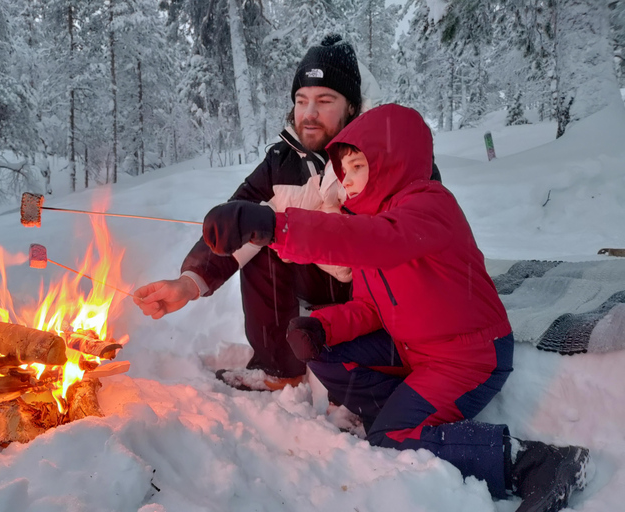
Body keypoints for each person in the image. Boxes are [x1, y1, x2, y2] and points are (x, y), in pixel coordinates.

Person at [201, 104, 590, 512]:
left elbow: (371, 239)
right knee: (324, 354)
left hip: (469, 358)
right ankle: (400, 412)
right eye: (343, 171)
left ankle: (535, 462)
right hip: (413, 349)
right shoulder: (374, 221)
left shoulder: (428, 206)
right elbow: (370, 307)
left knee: (391, 440)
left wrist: (274, 225)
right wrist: (324, 329)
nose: (346, 182)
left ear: (390, 161)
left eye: (355, 167)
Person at [134, 34, 363, 390]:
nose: (310, 113)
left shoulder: (374, 156)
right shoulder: (282, 160)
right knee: (258, 234)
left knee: (274, 231)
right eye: (301, 100)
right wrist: (189, 283)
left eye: (324, 100)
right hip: (314, 277)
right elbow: (236, 218)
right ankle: (277, 368)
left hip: (363, 290)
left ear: (351, 106)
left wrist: (288, 222)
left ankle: (358, 374)